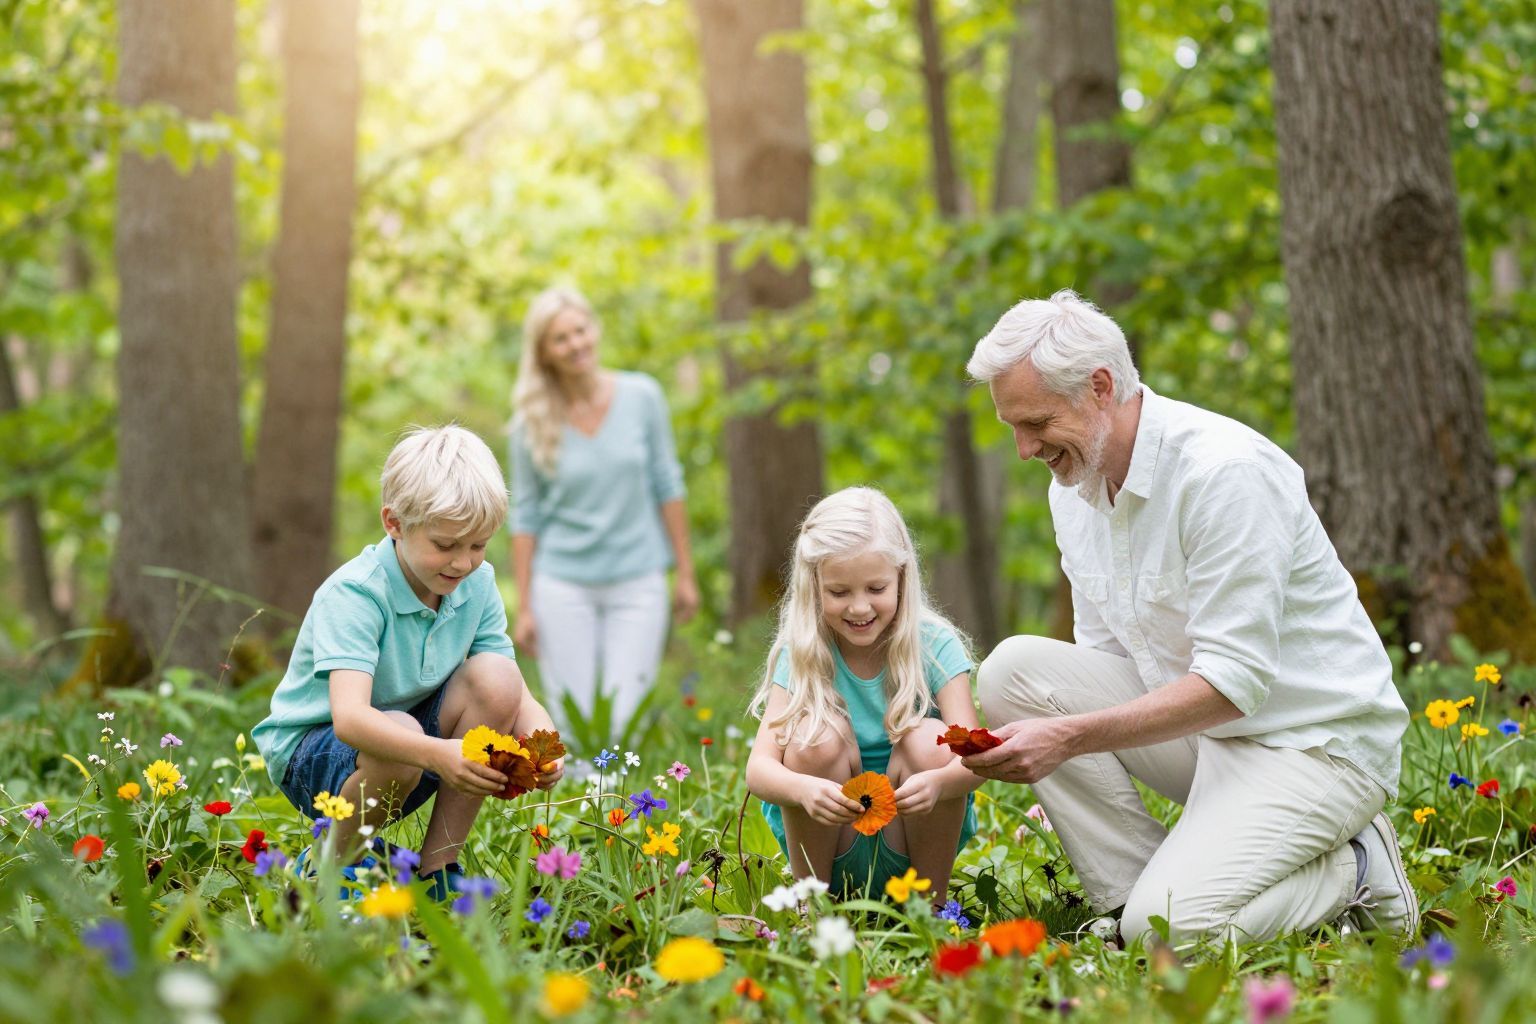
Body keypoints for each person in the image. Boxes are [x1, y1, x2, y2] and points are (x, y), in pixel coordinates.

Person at [960, 290, 1413, 947]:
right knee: (1012, 675)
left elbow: (1235, 684)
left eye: (1035, 422)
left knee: (1170, 935)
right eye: (1013, 428)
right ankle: (1134, 900)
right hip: (1211, 740)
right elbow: (1105, 661)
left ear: (1100, 386)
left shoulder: (1224, 474)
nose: (1025, 449)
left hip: (1314, 747)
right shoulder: (1076, 491)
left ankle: (1356, 865)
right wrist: (1071, 776)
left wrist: (1068, 741)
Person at [253, 425, 562, 895]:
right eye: (445, 545)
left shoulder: (475, 585)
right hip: (314, 756)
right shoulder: (357, 593)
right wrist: (441, 753)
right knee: (399, 732)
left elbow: (512, 688)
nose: (463, 562)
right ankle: (330, 868)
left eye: (478, 545)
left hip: (414, 742)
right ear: (394, 523)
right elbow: (351, 720)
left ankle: (437, 871)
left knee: (497, 678)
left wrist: (544, 745)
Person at [745, 487, 982, 898]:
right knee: (812, 735)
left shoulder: (936, 645)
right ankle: (812, 907)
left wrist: (940, 784)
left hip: (910, 838)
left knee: (931, 739)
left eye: (876, 589)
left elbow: (976, 761)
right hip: (831, 840)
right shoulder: (802, 651)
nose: (859, 608)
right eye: (839, 592)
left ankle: (931, 909)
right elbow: (759, 769)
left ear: (902, 578)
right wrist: (803, 790)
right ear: (814, 585)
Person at [508, 287, 698, 742]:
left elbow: (667, 484)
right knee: (570, 726)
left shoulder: (642, 396)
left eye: (580, 330)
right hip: (562, 584)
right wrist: (526, 604)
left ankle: (619, 809)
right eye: (560, 338)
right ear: (544, 353)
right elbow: (525, 516)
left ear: (594, 330)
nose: (576, 344)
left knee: (624, 721)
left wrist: (685, 573)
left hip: (639, 580)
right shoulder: (529, 423)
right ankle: (571, 808)